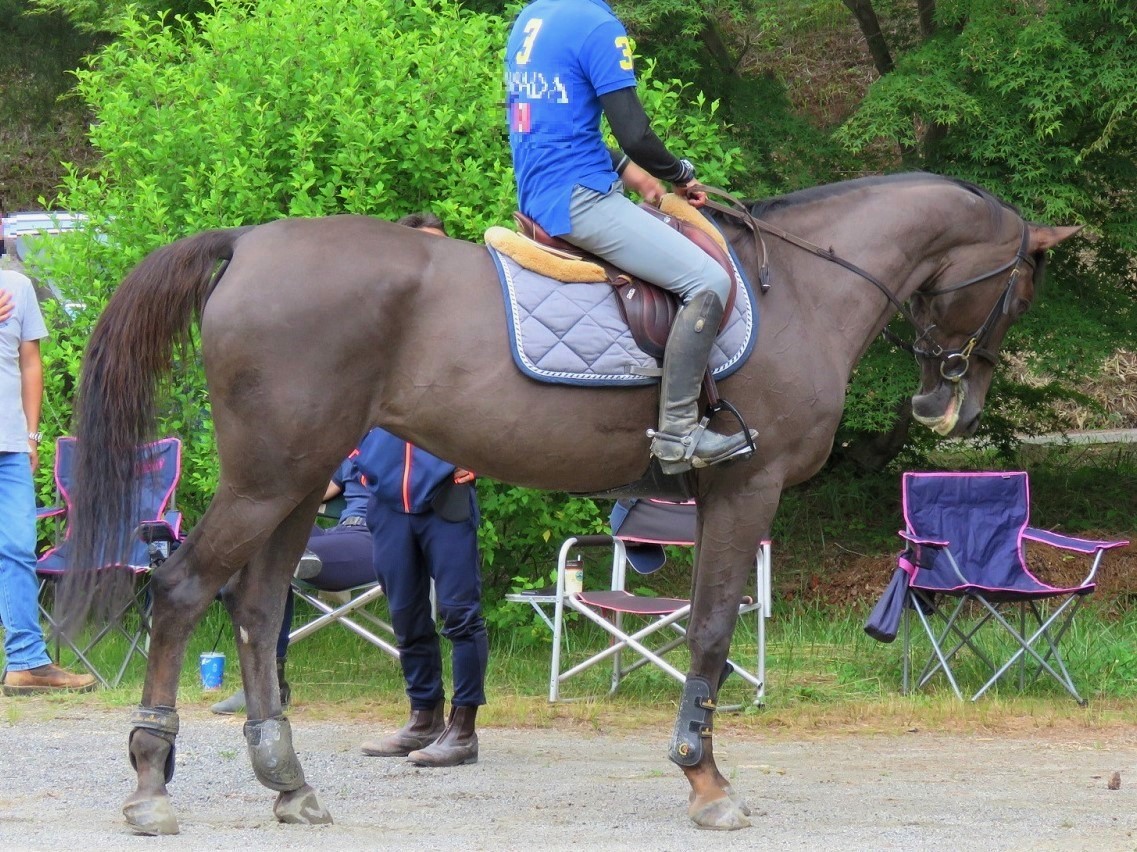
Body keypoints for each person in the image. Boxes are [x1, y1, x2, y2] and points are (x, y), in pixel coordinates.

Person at [505, 0, 757, 474]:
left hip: (538, 190)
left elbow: (553, 123)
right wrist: (681, 172)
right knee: (708, 281)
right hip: (580, 199)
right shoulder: (598, 24)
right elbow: (636, 134)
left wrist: (635, 177)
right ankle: (679, 432)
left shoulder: (532, 19)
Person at [356, 426, 487, 767]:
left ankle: (463, 730)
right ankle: (424, 720)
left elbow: (491, 411)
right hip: (387, 504)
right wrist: (364, 460)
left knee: (460, 614)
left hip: (447, 497)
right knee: (405, 614)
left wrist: (480, 458)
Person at [210, 447, 377, 714]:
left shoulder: (406, 439)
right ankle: (267, 685)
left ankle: (228, 578)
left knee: (275, 556)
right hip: (340, 532)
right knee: (267, 532)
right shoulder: (357, 443)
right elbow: (314, 493)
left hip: (375, 536)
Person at [0, 270, 97, 695]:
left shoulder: (16, 286)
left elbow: (30, 362)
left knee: (18, 549)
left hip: (10, 447)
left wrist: (32, 435)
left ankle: (26, 662)